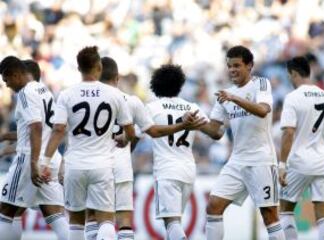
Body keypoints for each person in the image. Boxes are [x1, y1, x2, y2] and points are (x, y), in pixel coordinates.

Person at [84, 57, 205, 240]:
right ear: (117, 78)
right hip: (181, 169)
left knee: (97, 217)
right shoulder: (133, 102)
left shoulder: (84, 99)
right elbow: (216, 131)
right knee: (125, 220)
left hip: (98, 163)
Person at [41, 46, 135, 240]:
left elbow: (58, 130)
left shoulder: (67, 94)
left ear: (79, 69)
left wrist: (45, 161)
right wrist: (125, 139)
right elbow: (130, 131)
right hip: (102, 166)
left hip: (74, 166)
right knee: (106, 220)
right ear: (99, 67)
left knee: (76, 222)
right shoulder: (114, 94)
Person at [203, 45, 285, 240]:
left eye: (237, 65)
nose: (232, 70)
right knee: (213, 205)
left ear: (250, 66)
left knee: (270, 215)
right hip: (237, 160)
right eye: (229, 66)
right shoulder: (225, 95)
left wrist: (234, 98)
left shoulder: (261, 84)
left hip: (261, 160)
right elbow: (216, 132)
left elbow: (263, 110)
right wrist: (196, 124)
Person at [146, 64, 223, 240]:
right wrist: (221, 113)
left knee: (171, 223)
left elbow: (134, 135)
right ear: (180, 85)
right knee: (175, 222)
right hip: (188, 170)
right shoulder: (192, 108)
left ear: (155, 84)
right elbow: (216, 133)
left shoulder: (152, 108)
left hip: (167, 170)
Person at [0, 57, 68, 240]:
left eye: (6, 80)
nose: (6, 85)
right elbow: (42, 128)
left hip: (31, 160)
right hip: (50, 158)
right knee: (54, 214)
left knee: (5, 210)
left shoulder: (25, 93)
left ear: (15, 74)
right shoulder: (44, 90)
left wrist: (33, 163)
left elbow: (36, 128)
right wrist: (5, 137)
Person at [278, 56, 324, 240]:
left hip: (299, 161)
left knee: (286, 210)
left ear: (294, 73)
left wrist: (282, 165)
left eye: (289, 75)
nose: (289, 79)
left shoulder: (292, 98)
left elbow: (288, 133)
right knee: (323, 217)